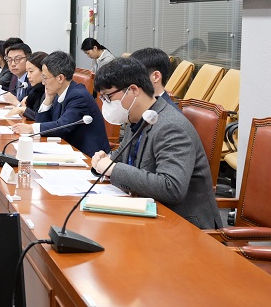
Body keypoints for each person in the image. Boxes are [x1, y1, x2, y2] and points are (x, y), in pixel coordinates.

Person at [92, 57, 222, 229]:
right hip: (148, 215)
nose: (105, 104)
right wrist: (103, 160)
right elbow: (121, 158)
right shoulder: (136, 118)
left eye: (108, 97)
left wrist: (112, 169)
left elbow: (172, 187)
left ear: (133, 90)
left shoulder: (171, 126)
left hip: (183, 226)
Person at [12, 51, 110, 156]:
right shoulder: (59, 93)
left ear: (60, 78)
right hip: (69, 150)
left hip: (90, 156)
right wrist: (47, 100)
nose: (43, 82)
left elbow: (63, 127)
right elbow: (43, 124)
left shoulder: (79, 96)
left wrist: (31, 128)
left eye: (45, 78)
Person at [5, 51, 47, 121]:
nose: (28, 76)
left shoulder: (49, 92)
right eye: (27, 72)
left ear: (44, 71)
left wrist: (23, 109)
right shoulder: (36, 89)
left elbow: (43, 118)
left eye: (31, 71)